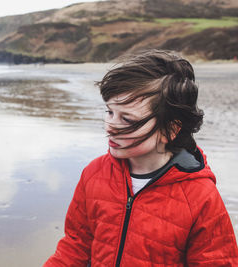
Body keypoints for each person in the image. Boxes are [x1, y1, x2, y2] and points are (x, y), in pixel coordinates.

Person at [44, 50, 238, 266]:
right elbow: (75, 246)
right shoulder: (94, 174)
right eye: (109, 112)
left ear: (169, 130)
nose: (111, 126)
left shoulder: (200, 198)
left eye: (127, 119)